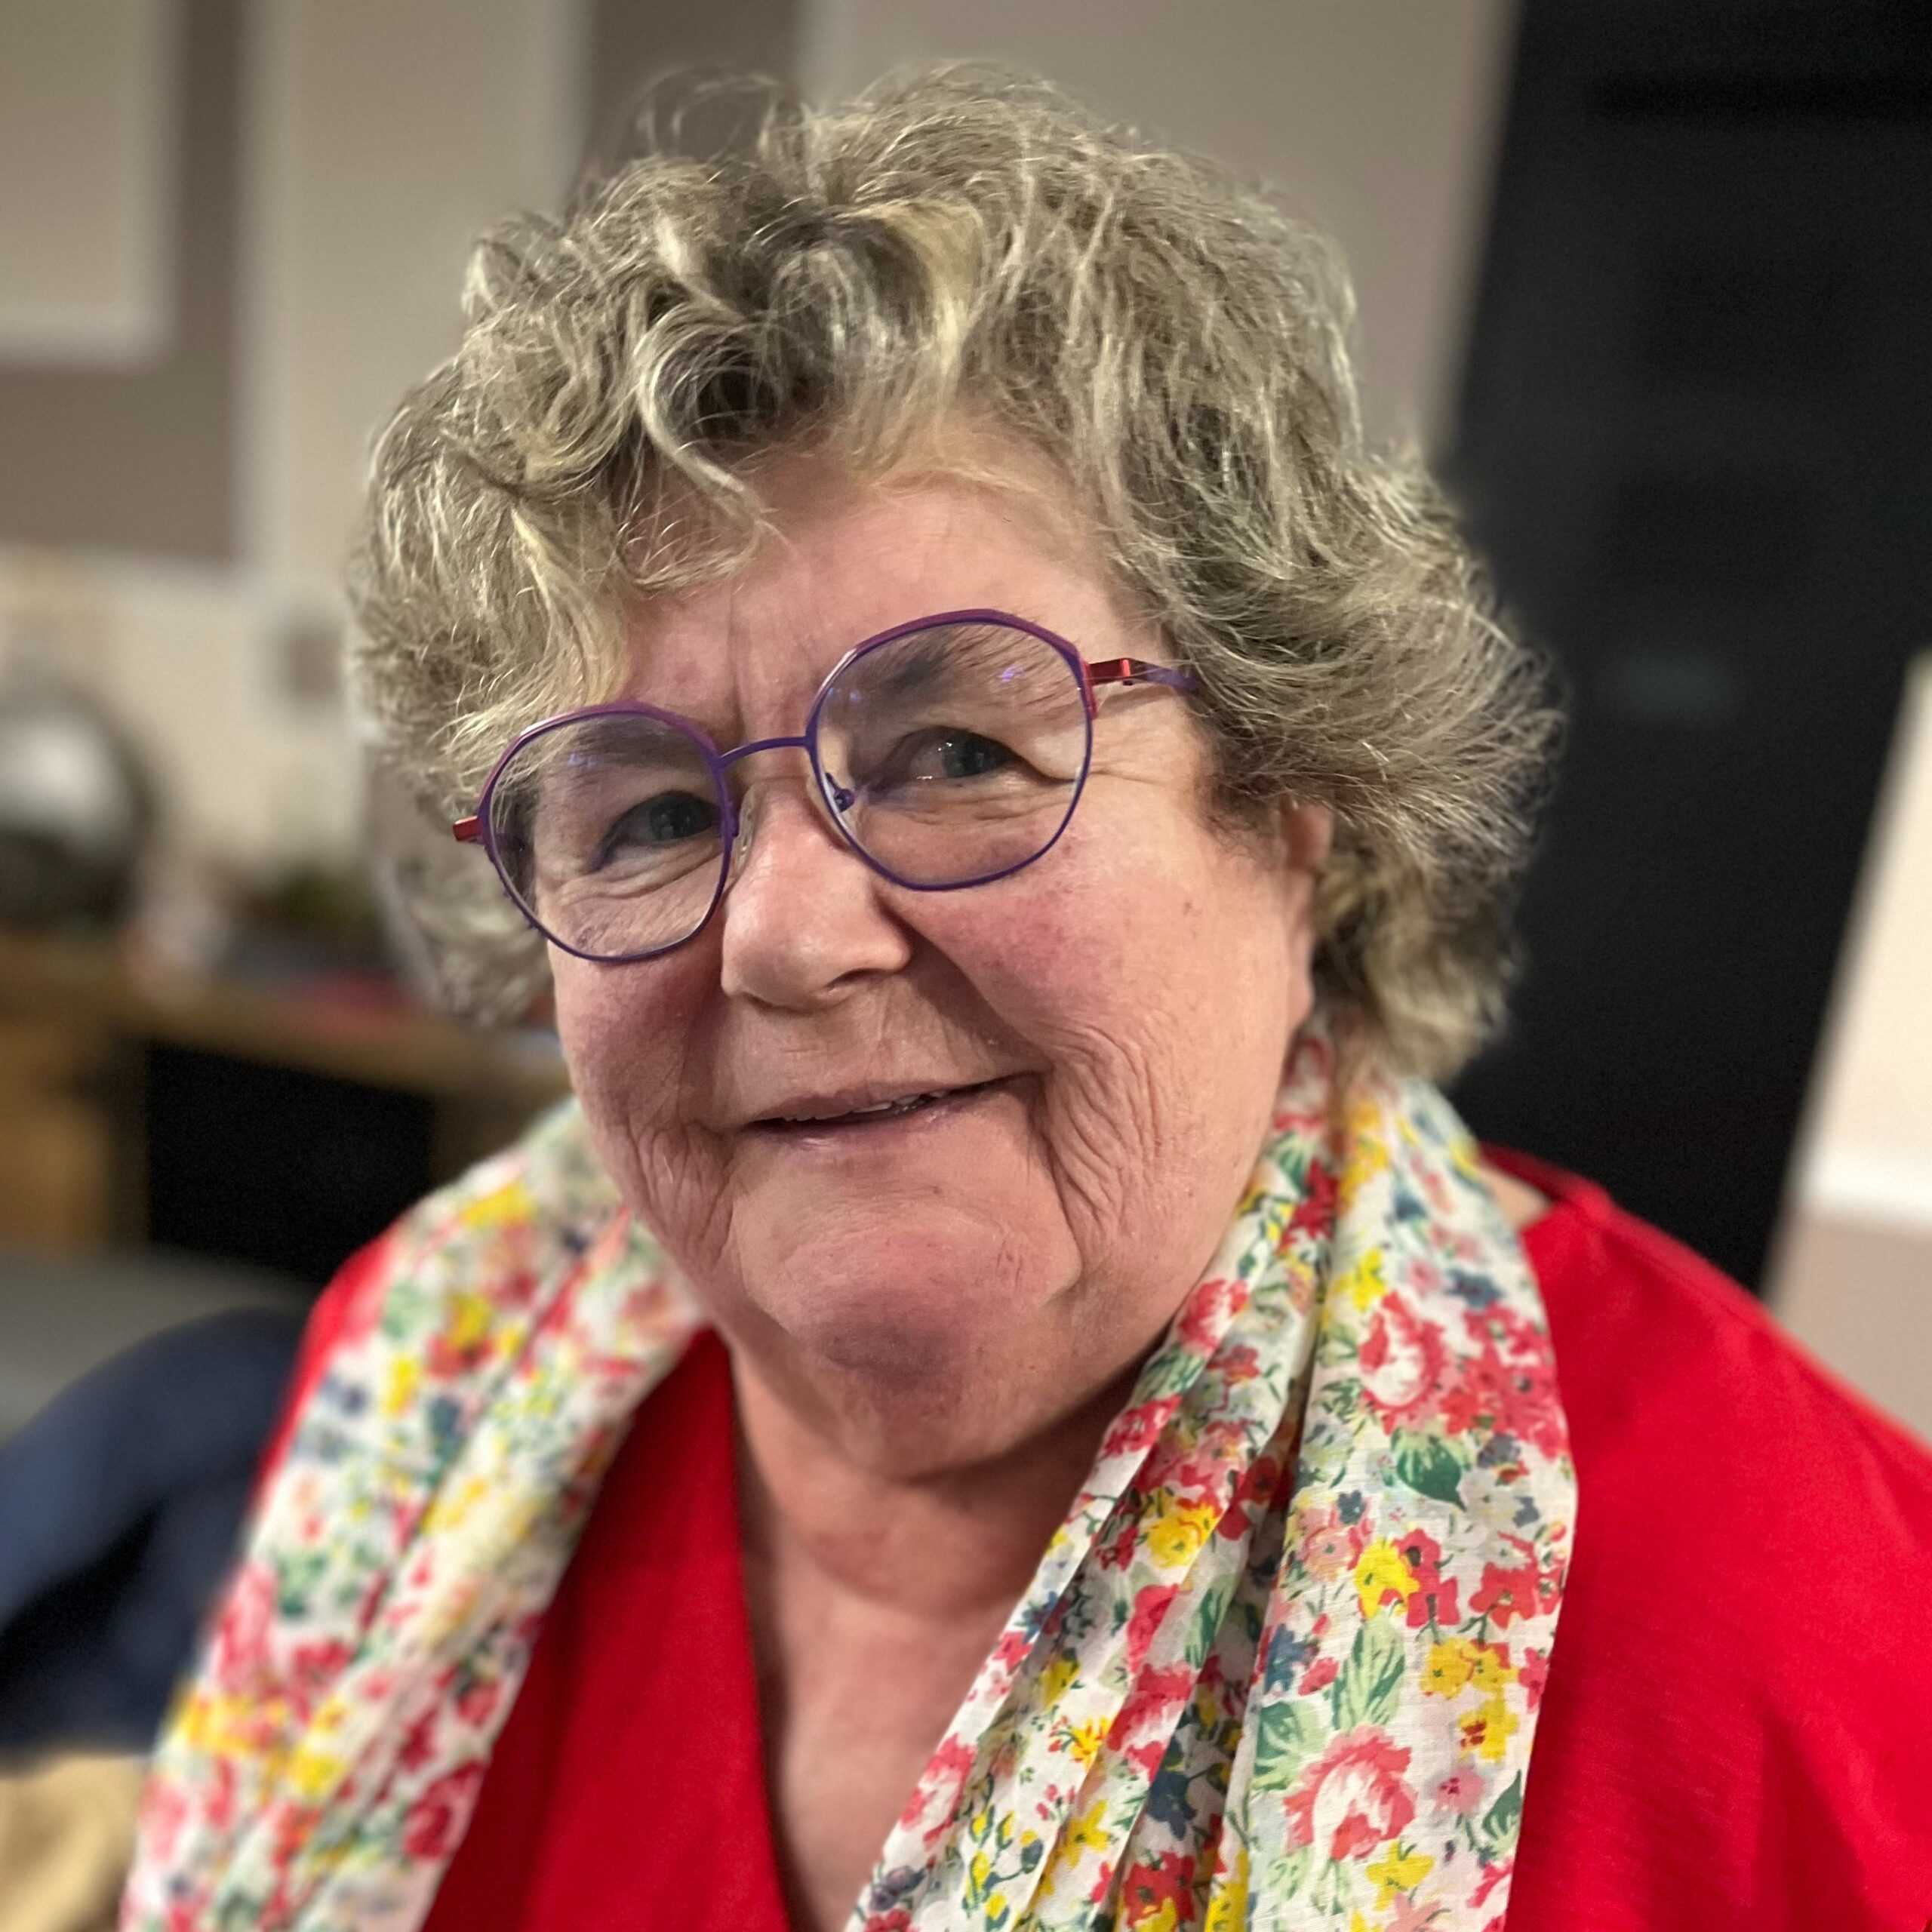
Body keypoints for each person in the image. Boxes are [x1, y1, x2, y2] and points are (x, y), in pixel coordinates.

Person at [122, 67, 1932, 1932]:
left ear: (1289, 810)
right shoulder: (424, 1370)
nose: (782, 936)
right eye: (648, 813)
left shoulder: (1813, 1651)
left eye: (959, 751)